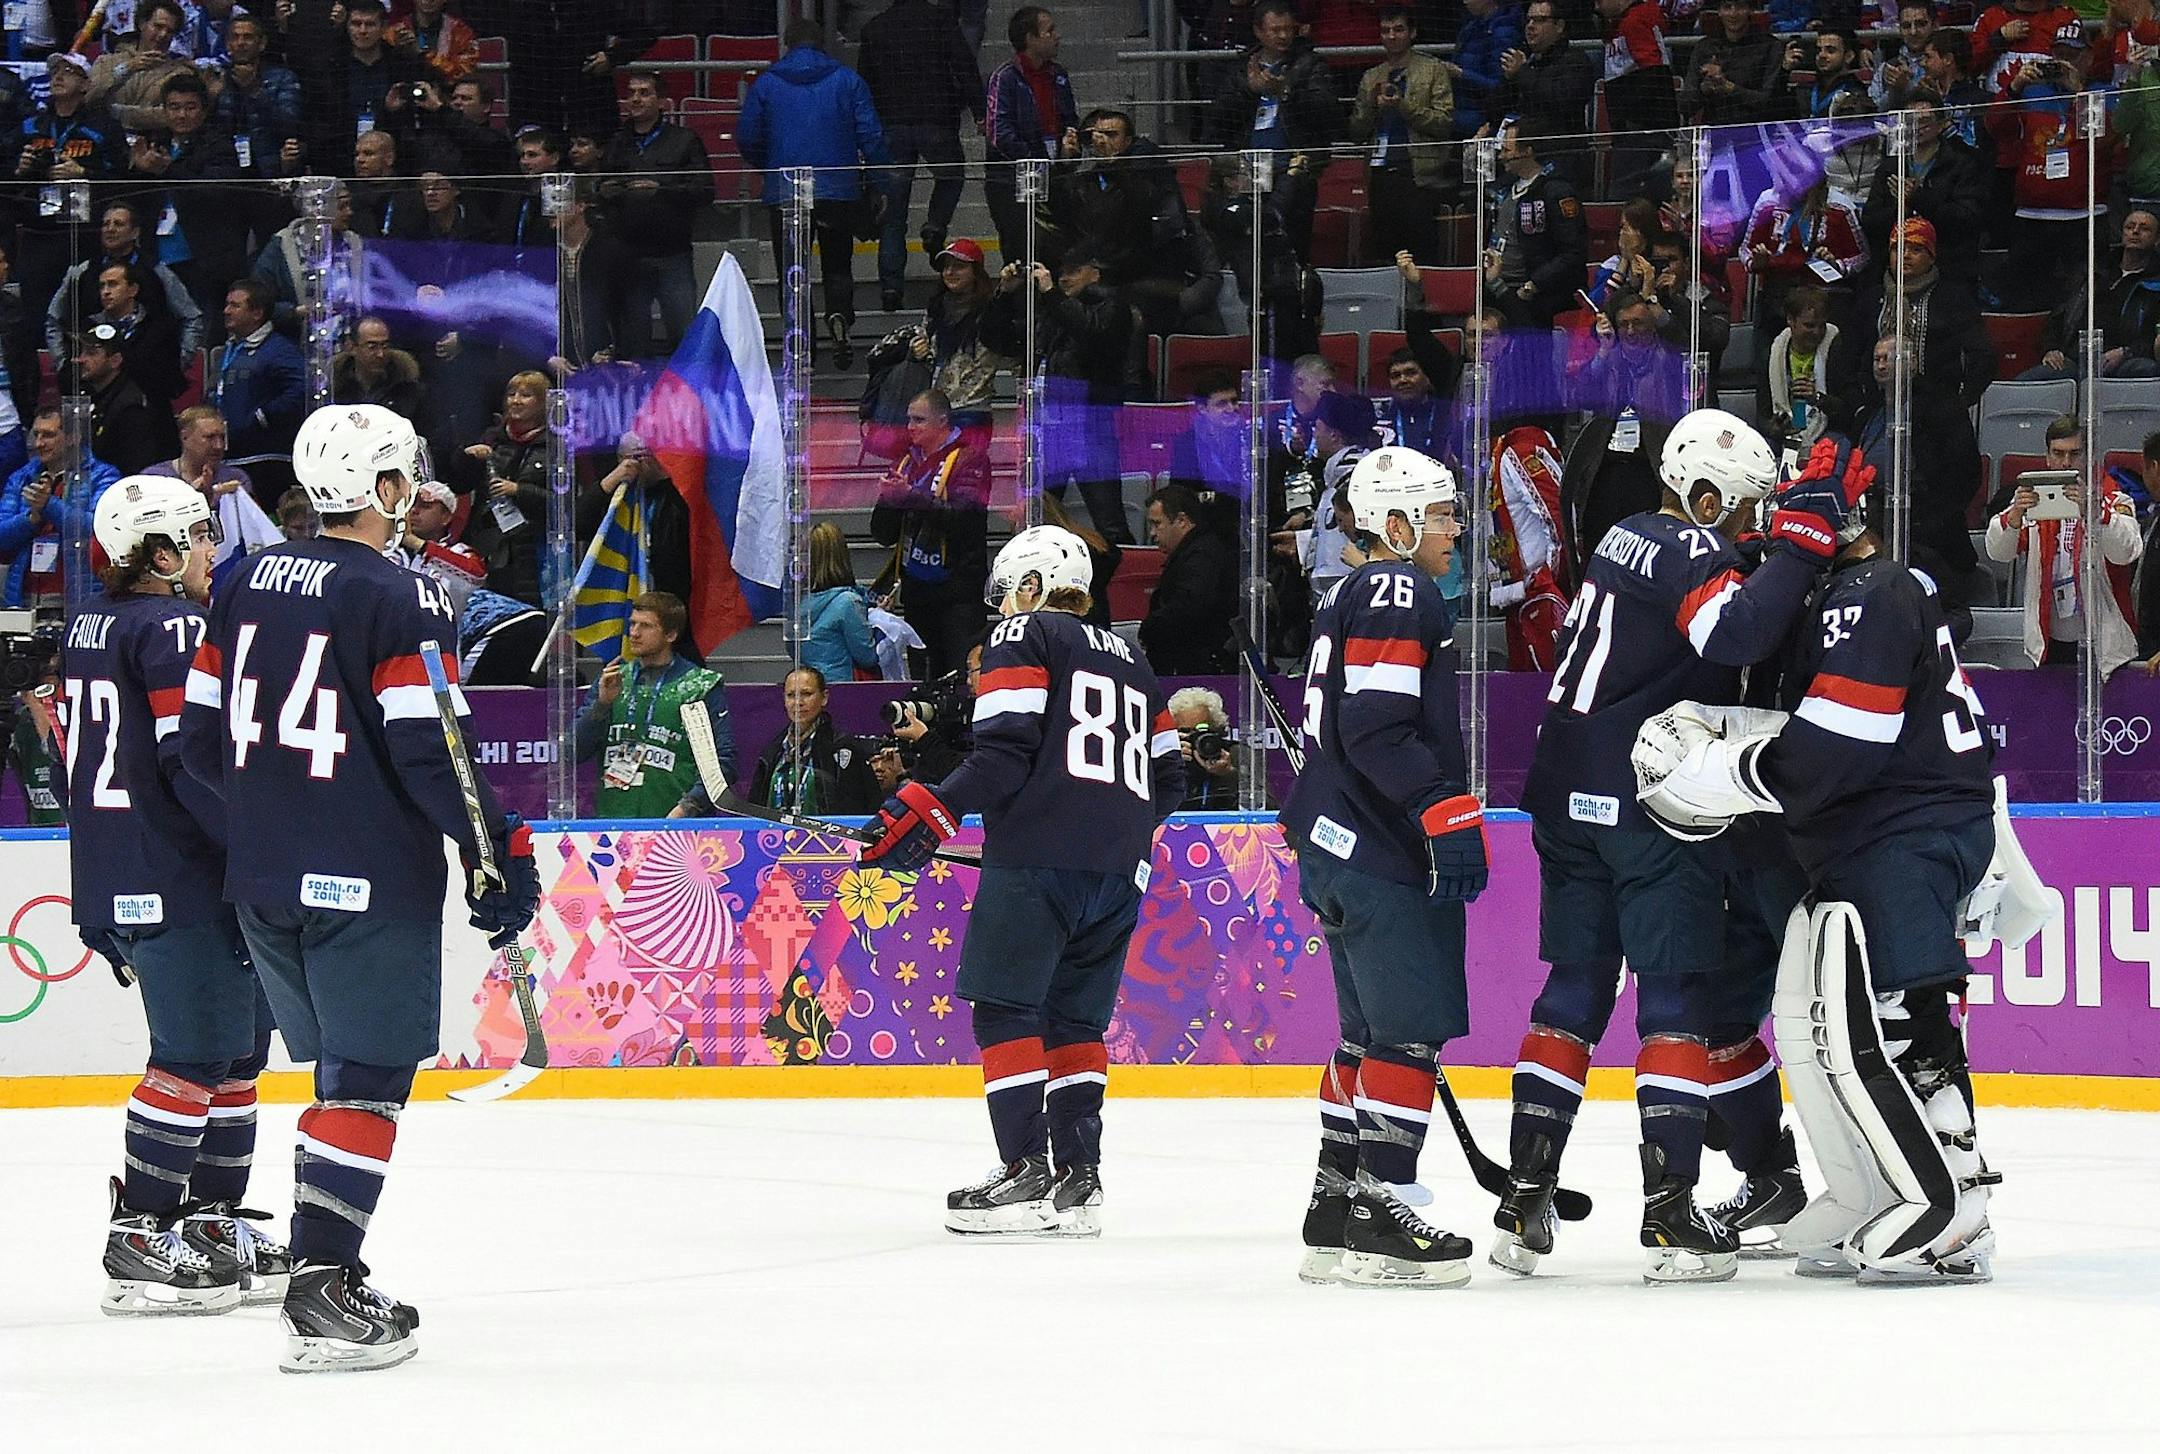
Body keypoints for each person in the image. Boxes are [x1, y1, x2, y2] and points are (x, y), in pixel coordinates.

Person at [176, 403, 539, 1370]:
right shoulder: (405, 593)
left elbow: (197, 741)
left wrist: (272, 818)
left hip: (259, 882)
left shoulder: (244, 580)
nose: (414, 492)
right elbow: (435, 751)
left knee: (340, 1076)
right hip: (366, 880)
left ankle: (323, 1267)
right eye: (405, 477)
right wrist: (495, 848)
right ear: (381, 488)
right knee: (368, 1084)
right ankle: (322, 1286)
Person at [1496, 414, 1867, 1285]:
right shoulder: (1690, 549)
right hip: (1647, 801)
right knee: (1675, 998)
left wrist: (1766, 548)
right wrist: (1804, 548)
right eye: (1740, 509)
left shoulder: (1626, 534)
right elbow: (1732, 634)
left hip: (1564, 790)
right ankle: (1668, 1212)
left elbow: (1712, 588)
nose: (1747, 526)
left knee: (1573, 991)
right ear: (1703, 498)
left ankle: (1525, 1191)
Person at [1634, 457, 2007, 1284]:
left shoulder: (1870, 594)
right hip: (1884, 828)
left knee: (1906, 1018)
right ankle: (1870, 1191)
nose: (1776, 534)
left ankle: (1958, 1209)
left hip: (1904, 831)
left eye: (1793, 516)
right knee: (1823, 1024)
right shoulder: (1845, 592)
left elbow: (1833, 750)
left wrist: (1718, 771)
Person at [857, 525, 1184, 1238]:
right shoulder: (1134, 656)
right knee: (1075, 1020)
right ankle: (1079, 1178)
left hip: (1039, 864)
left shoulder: (1024, 636)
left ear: (1031, 586)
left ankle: (1024, 1171)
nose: (1003, 609)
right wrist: (1103, 830)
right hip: (1120, 873)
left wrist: (928, 809)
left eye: (1008, 593)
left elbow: (1003, 754)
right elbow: (1170, 779)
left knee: (1005, 1009)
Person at [63, 474, 281, 1319]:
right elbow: (189, 757)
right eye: (195, 535)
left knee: (231, 1051)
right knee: (195, 1057)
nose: (209, 549)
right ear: (157, 553)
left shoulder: (92, 623)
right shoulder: (175, 624)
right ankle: (145, 1230)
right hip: (181, 874)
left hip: (128, 867)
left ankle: (212, 1221)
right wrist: (255, 841)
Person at [1277, 446, 1484, 1287]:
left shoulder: (1350, 593)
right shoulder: (1401, 588)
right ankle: (1380, 1205)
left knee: (1363, 1037)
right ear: (1395, 524)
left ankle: (1335, 1200)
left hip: (1334, 842)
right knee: (1404, 1033)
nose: (1455, 529)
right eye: (1440, 515)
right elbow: (1377, 726)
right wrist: (1440, 806)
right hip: (1378, 846)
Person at [738, 28, 886, 368]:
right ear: (822, 43)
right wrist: (879, 183)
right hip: (839, 191)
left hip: (786, 193)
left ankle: (800, 346)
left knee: (793, 271)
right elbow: (871, 135)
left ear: (787, 44)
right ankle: (839, 318)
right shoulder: (847, 80)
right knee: (837, 266)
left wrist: (770, 166)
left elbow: (747, 137)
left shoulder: (767, 83)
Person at [983, 248, 1135, 544]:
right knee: (1035, 519)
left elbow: (1093, 331)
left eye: (1074, 271)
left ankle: (1120, 584)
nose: (1065, 278)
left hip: (1092, 427)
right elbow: (996, 339)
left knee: (1109, 521)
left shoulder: (1113, 306)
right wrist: (1003, 295)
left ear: (1095, 272)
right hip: (1049, 427)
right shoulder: (1051, 311)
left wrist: (1052, 295)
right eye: (1062, 271)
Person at [1983, 416, 2146, 675]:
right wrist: (2014, 517)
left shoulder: (2113, 496)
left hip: (2105, 644)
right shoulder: (2032, 500)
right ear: (2047, 457)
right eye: (2058, 454)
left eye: (2074, 454)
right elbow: (1998, 552)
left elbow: (2126, 552)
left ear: (2089, 456)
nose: (2066, 462)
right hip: (2051, 640)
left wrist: (2094, 512)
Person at [858, 0, 985, 312]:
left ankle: (890, 288)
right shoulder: (941, 20)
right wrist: (980, 111)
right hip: (937, 119)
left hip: (892, 124)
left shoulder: (874, 28)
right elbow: (964, 64)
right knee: (950, 176)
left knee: (893, 214)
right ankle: (935, 225)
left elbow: (866, 82)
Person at [573, 591, 735, 820]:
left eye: (646, 626)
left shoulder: (700, 686)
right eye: (632, 624)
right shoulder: (612, 681)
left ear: (670, 634)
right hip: (613, 827)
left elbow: (722, 763)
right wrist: (601, 705)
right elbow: (573, 753)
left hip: (677, 828)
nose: (634, 633)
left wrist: (687, 809)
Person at [870, 388, 993, 679]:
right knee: (924, 677)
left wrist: (911, 495)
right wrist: (890, 500)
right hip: (917, 590)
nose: (911, 427)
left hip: (958, 592)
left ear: (942, 421)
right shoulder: (905, 464)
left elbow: (965, 521)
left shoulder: (971, 459)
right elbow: (882, 534)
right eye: (909, 420)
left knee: (960, 674)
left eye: (919, 420)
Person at [1206, 0, 1339, 259]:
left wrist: (1286, 92)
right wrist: (1250, 91)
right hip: (1249, 166)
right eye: (1275, 29)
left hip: (1293, 166)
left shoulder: (1310, 65)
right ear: (1258, 31)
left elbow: (1327, 112)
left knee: (1290, 243)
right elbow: (1219, 120)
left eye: (1288, 29)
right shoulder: (1242, 68)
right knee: (1248, 244)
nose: (1283, 36)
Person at [601, 71, 717, 359]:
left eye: (644, 92)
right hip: (627, 256)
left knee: (684, 336)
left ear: (662, 101)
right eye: (631, 93)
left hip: (672, 254)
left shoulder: (685, 140)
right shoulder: (617, 142)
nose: (636, 99)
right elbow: (600, 186)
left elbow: (704, 189)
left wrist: (661, 189)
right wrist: (610, 190)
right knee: (632, 342)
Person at [867, 239, 1013, 450]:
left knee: (965, 475)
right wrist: (917, 351)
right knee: (933, 479)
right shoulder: (937, 308)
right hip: (935, 409)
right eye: (946, 267)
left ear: (976, 272)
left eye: (959, 266)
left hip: (971, 408)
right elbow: (928, 351)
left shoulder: (992, 310)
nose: (950, 272)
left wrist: (1007, 290)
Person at [677, 666, 879, 817]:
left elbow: (860, 808)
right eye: (791, 695)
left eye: (807, 694)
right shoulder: (773, 751)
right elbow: (755, 809)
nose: (798, 703)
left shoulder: (841, 747)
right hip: (775, 846)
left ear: (824, 697)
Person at [1348, 7, 1455, 265]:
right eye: (1385, 31)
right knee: (1385, 253)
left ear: (1412, 32)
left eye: (1398, 29)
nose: (1391, 36)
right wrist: (1373, 106)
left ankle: (1423, 304)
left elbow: (1444, 123)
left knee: (1422, 253)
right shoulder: (1371, 77)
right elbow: (1355, 132)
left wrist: (1402, 106)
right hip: (1380, 174)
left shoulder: (1432, 70)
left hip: (1418, 175)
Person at [44, 198, 205, 363]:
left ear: (135, 232)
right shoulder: (81, 272)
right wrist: (62, 364)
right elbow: (53, 320)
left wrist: (178, 363)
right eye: (106, 224)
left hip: (148, 376)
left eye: (118, 224)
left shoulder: (157, 272)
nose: (110, 229)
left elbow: (192, 317)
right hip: (93, 376)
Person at [1859, 91, 1991, 288]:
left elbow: (1968, 218)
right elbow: (1870, 220)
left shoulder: (1961, 163)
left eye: (1925, 120)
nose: (1917, 127)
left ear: (1942, 124)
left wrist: (1919, 198)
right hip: (1895, 268)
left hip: (1948, 265)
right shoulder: (1891, 165)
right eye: (1910, 121)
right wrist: (1899, 210)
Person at [145, 406, 282, 591]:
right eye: (209, 438)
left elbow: (253, 530)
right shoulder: (155, 479)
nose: (218, 446)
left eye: (222, 438)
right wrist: (192, 499)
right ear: (185, 437)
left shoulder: (236, 479)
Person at [444, 372, 551, 607]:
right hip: (490, 545)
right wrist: (467, 457)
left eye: (526, 395)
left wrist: (519, 490)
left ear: (543, 402)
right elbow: (459, 485)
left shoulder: (556, 445)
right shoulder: (493, 437)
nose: (516, 400)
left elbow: (564, 503)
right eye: (512, 394)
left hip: (534, 550)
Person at [983, 8, 1078, 272]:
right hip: (1011, 180)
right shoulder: (1005, 78)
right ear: (1030, 38)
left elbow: (1071, 120)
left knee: (1058, 247)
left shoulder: (1058, 75)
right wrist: (1038, 162)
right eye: (1049, 31)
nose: (1056, 36)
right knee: (1019, 251)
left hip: (1055, 176)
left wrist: (1071, 144)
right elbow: (999, 132)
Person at [2018, 208, 2160, 382]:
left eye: (2144, 229)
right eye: (2130, 227)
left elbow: (2153, 337)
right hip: (2076, 356)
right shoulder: (2092, 272)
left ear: (2157, 239)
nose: (2135, 231)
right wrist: (2051, 349)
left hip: (2124, 359)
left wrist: (2126, 352)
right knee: (2028, 381)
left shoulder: (2156, 283)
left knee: (2145, 369)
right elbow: (2058, 316)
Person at [0, 407, 121, 608]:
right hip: (24, 597)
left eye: (48, 435)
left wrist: (50, 506)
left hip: (78, 596)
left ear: (73, 437)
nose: (39, 443)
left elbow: (100, 528)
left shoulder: (103, 476)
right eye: (36, 434)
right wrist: (30, 519)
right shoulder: (21, 478)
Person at [1484, 118, 1588, 331]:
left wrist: (1533, 285)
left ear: (1527, 151)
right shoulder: (1504, 187)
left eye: (1506, 150)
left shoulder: (1557, 191)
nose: (1502, 156)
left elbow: (1573, 252)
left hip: (1532, 297)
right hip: (1497, 288)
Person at [207, 279, 306, 498]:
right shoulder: (232, 349)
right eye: (227, 304)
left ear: (257, 313)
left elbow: (301, 389)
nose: (226, 311)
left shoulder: (279, 349)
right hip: (230, 455)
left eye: (235, 305)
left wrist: (264, 416)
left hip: (265, 459)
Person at [1492, 0, 1598, 192]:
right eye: (1529, 20)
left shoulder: (1576, 62)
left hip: (1561, 160)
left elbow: (1561, 101)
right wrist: (1510, 79)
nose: (1531, 26)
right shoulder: (1526, 62)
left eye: (1540, 20)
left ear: (1559, 26)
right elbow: (1496, 107)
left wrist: (1522, 74)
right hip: (1522, 160)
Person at [1139, 483, 1238, 675]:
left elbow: (1189, 607)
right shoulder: (1197, 551)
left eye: (1157, 523)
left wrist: (1150, 629)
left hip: (1197, 667)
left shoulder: (1202, 556)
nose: (1152, 533)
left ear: (1182, 520)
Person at [76, 324, 181, 476]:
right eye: (82, 352)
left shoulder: (131, 407)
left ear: (115, 361)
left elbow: (135, 469)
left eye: (91, 353)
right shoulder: (93, 396)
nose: (81, 359)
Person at [803, 520, 882, 685]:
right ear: (841, 554)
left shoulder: (798, 604)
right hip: (843, 689)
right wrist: (880, 625)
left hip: (810, 688)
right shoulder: (848, 603)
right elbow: (867, 657)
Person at [1685, 0, 1782, 127]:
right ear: (1719, 11)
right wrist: (1704, 89)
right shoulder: (1704, 47)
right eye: (1727, 7)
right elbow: (1685, 106)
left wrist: (1727, 87)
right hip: (1716, 129)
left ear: (1750, 10)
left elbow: (1769, 101)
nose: (1733, 13)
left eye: (1740, 7)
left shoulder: (1770, 46)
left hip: (1759, 130)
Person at [331, 315, 427, 424]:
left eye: (385, 346)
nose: (380, 354)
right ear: (352, 347)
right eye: (372, 347)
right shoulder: (335, 388)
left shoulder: (408, 389)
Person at [1453, 0, 1525, 143]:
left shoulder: (1504, 32)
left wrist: (1461, 74)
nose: (1464, 1)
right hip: (1464, 116)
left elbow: (1500, 86)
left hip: (1484, 122)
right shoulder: (1470, 27)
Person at [1168, 685, 1239, 809]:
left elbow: (1269, 809)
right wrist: (1167, 766)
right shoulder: (1164, 758)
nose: (1195, 737)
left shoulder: (1236, 754)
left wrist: (1229, 774)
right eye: (1185, 731)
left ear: (1217, 728)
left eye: (1202, 730)